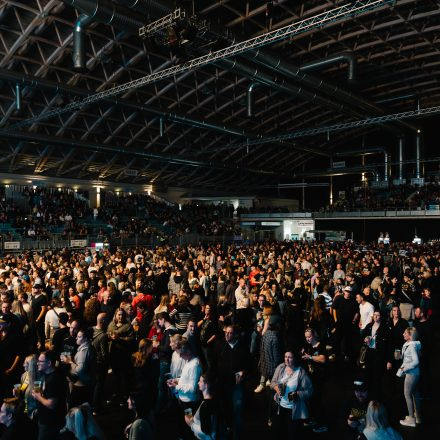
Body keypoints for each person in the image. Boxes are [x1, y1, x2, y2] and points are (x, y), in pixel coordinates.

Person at [213, 325, 249, 440]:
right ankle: (227, 430)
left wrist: (243, 372)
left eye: (230, 333)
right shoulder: (219, 345)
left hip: (237, 384)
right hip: (222, 384)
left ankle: (237, 435)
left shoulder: (242, 347)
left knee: (238, 408)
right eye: (226, 333)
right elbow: (213, 363)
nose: (227, 335)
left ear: (236, 334)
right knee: (224, 408)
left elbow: (249, 365)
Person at [270, 350, 313, 437]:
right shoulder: (281, 368)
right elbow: (273, 382)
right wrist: (276, 388)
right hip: (281, 406)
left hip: (293, 409)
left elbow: (309, 390)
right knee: (280, 431)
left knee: (292, 433)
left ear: (294, 359)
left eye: (289, 357)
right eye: (285, 357)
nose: (287, 359)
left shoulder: (300, 372)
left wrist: (297, 393)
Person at [32, 350, 68, 440]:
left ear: (49, 363)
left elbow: (52, 404)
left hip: (50, 423)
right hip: (50, 420)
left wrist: (38, 396)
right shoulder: (52, 374)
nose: (37, 363)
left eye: (40, 361)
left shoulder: (53, 380)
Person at [63, 328, 97, 407]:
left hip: (82, 384)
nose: (76, 338)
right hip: (87, 383)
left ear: (85, 338)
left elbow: (80, 370)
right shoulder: (89, 347)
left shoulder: (84, 351)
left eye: (79, 337)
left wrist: (70, 362)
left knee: (76, 407)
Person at [398, 327, 422, 427]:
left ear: (410, 335)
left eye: (405, 333)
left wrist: (405, 368)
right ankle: (418, 417)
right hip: (415, 373)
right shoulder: (412, 345)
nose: (403, 334)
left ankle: (411, 419)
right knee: (414, 394)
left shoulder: (411, 346)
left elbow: (416, 361)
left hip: (411, 374)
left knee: (407, 395)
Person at [185, 373, 218, 440]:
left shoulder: (205, 406)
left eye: (200, 381)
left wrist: (191, 424)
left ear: (206, 385)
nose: (198, 383)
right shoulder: (214, 400)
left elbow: (205, 431)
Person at [254, 315, 282, 393]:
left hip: (265, 365)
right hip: (272, 369)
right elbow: (276, 356)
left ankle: (263, 384)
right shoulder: (275, 337)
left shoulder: (266, 334)